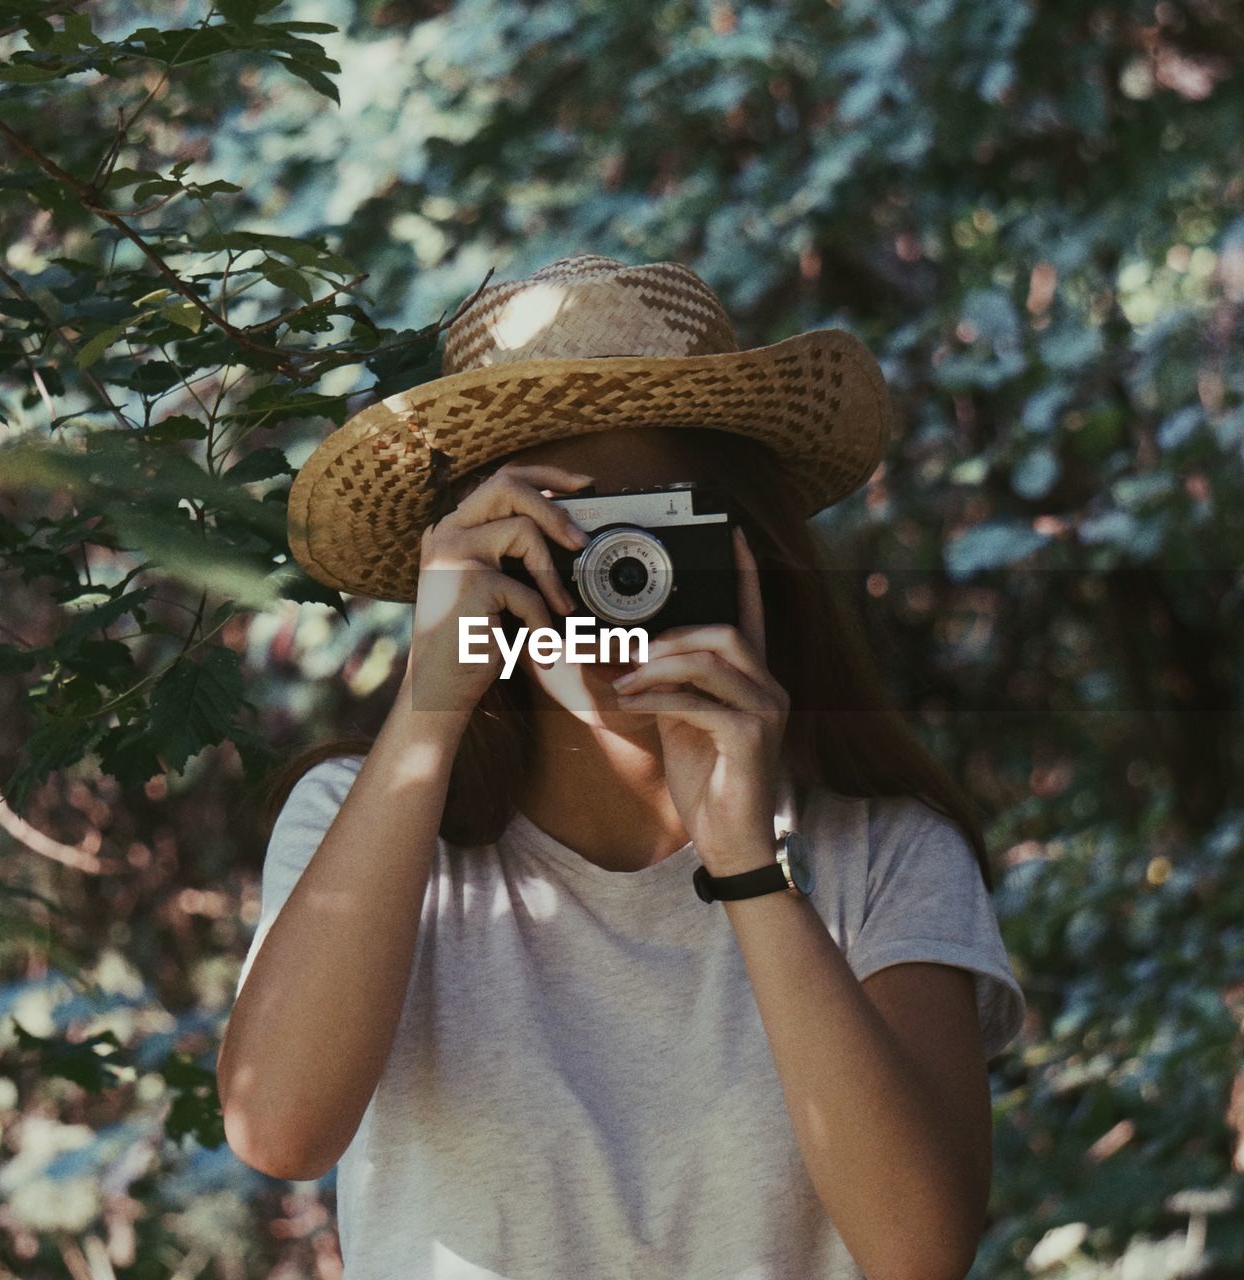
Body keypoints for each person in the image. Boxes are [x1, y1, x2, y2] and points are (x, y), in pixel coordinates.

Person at [217, 254, 1027, 1280]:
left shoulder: (879, 851)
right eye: (560, 536)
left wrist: (745, 862)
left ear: (749, 550)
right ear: (471, 563)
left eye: (649, 536)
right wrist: (429, 709)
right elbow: (277, 1129)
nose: (613, 585)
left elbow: (918, 1251)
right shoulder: (363, 819)